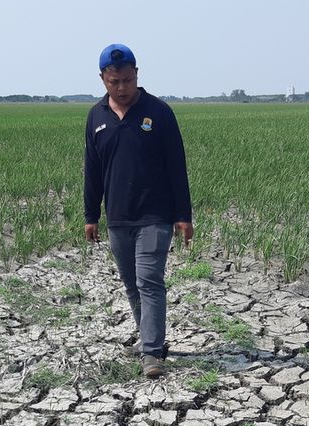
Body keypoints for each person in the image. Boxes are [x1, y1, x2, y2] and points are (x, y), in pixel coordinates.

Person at [84, 43, 193, 379]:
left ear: (137, 75)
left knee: (149, 281)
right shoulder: (97, 117)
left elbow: (177, 166)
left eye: (127, 80)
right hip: (118, 216)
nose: (121, 87)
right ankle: (150, 339)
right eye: (114, 81)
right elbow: (93, 169)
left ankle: (151, 353)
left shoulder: (158, 112)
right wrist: (91, 215)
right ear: (102, 78)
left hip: (155, 215)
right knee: (131, 284)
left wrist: (183, 215)